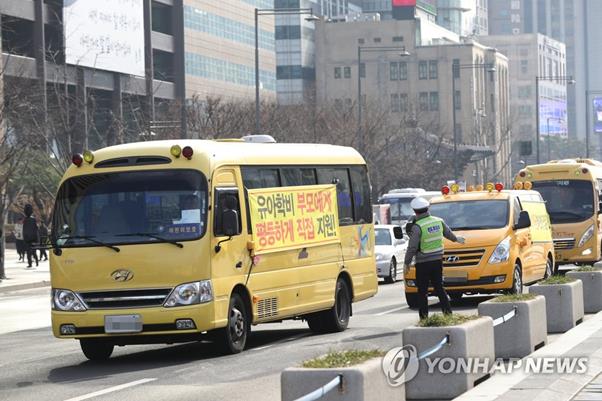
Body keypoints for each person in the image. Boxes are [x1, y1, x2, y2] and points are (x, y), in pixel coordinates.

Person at [403, 197, 465, 320]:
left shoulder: (417, 227)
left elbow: (412, 247)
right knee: (440, 288)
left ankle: (424, 318)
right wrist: (456, 239)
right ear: (428, 209)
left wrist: (406, 263)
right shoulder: (438, 221)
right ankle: (448, 315)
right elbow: (448, 234)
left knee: (422, 291)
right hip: (437, 261)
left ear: (415, 211)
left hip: (423, 263)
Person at [22, 204, 39, 268]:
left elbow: (24, 230)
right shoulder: (33, 219)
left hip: (28, 239)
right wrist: (36, 239)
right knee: (33, 252)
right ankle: (36, 262)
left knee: (29, 252)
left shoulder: (25, 220)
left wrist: (24, 238)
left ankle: (30, 264)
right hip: (33, 238)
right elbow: (36, 229)